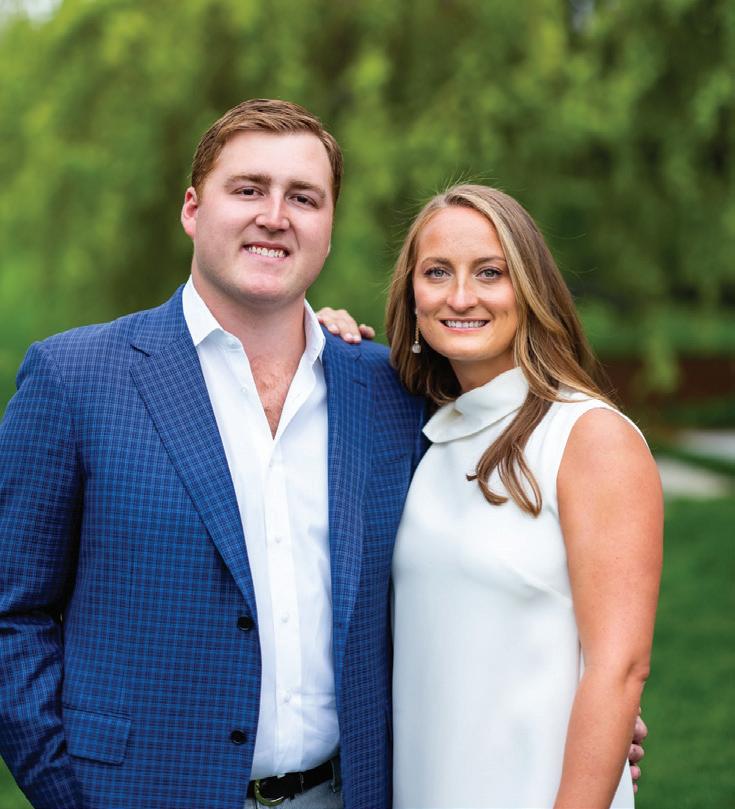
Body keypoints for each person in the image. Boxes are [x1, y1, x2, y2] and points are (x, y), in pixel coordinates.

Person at [0, 99, 426, 809]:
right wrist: (65, 793)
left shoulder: (389, 392)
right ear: (193, 209)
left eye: (304, 198)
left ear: (327, 229)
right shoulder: (75, 379)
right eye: (249, 188)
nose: (275, 215)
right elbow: (12, 613)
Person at [383, 184, 663, 808]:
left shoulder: (589, 437)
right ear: (412, 295)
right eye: (437, 272)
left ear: (531, 289)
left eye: (490, 272)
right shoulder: (429, 437)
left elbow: (619, 671)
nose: (461, 296)